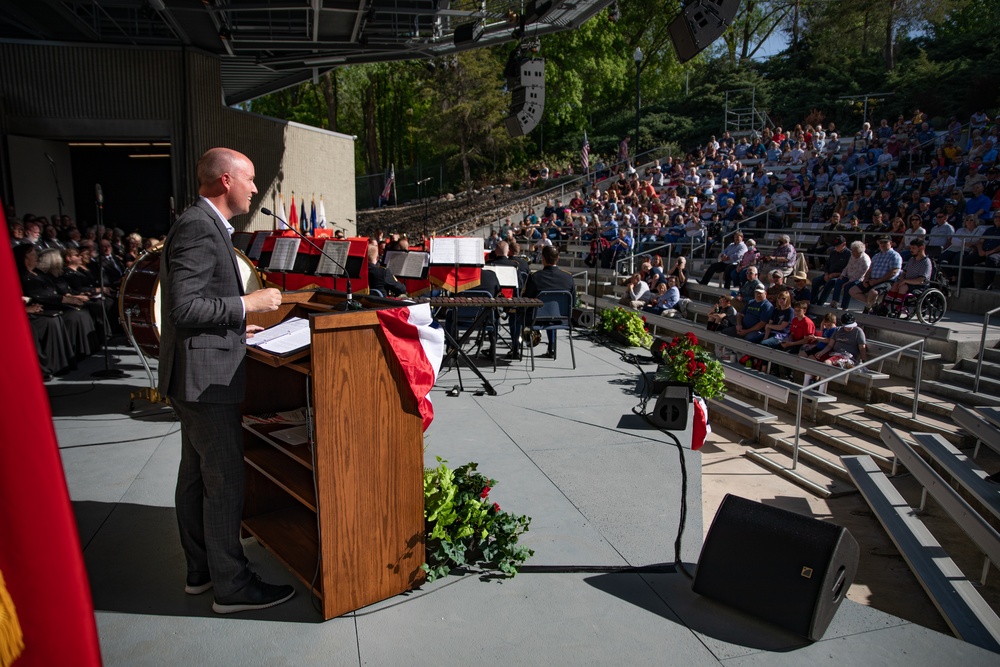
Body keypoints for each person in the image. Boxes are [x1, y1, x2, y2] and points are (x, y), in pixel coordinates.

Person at [158, 147, 293, 614]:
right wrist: (246, 305)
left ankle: (201, 571)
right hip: (205, 382)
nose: (256, 188)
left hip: (194, 374)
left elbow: (196, 307)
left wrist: (237, 326)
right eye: (250, 179)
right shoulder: (199, 226)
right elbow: (182, 308)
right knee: (225, 483)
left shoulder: (199, 222)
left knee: (195, 478)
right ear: (225, 182)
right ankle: (231, 587)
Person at [515, 245, 575, 360]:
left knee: (517, 313)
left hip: (537, 318)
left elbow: (527, 300)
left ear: (542, 258)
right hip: (561, 318)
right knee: (550, 314)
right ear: (558, 258)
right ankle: (551, 347)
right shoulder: (568, 278)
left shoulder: (535, 277)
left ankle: (516, 347)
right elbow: (573, 302)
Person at [850, 236, 902, 313]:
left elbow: (894, 271)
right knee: (852, 290)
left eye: (885, 242)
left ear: (890, 243)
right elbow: (870, 269)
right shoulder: (876, 256)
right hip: (872, 280)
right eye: (881, 242)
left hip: (886, 281)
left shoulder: (895, 255)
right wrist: (866, 279)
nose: (883, 244)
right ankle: (874, 305)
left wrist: (877, 281)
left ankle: (868, 308)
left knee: (873, 292)